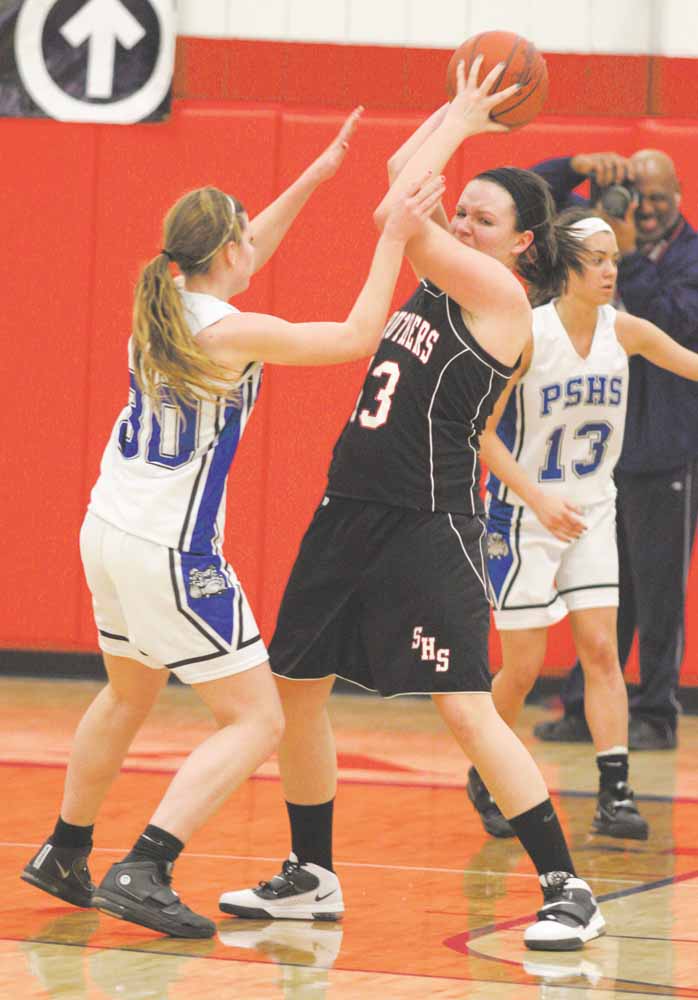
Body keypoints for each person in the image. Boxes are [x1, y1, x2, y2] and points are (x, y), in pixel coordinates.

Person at [20, 110, 447, 939]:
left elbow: (246, 250)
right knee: (259, 720)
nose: (257, 243)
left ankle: (66, 850)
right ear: (225, 255)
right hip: (172, 551)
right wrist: (393, 235)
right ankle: (147, 864)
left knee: (125, 694)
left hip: (107, 530)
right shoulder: (233, 330)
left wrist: (318, 176)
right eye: (245, 237)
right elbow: (360, 335)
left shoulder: (167, 298)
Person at [219, 60, 606, 953]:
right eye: (458, 208)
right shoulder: (442, 280)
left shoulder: (500, 297)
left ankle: (566, 886)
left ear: (521, 246)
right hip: (347, 506)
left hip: (425, 526)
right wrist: (452, 116)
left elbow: (398, 195)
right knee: (298, 690)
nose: (460, 218)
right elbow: (408, 172)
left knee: (466, 707)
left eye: (483, 216)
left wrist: (466, 113)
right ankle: (311, 874)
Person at [472, 208, 698, 841]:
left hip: (595, 512)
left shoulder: (624, 331)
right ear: (566, 267)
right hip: (524, 516)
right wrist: (537, 498)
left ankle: (615, 792)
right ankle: (486, 769)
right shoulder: (527, 334)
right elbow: (482, 434)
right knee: (522, 666)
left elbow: (692, 363)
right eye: (597, 259)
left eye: (613, 260)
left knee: (602, 652)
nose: (609, 269)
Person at [531, 150, 698, 751]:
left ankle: (655, 714)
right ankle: (583, 709)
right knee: (595, 590)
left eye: (656, 196)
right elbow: (530, 194)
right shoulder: (595, 231)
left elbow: (676, 326)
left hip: (665, 453)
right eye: (635, 194)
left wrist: (625, 257)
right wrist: (581, 166)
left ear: (679, 194)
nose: (644, 208)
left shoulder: (689, 258)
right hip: (600, 460)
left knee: (657, 594)